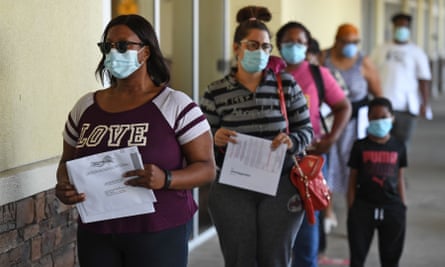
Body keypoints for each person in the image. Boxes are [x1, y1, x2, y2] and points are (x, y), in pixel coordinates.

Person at [55, 14, 216, 267]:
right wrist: (63, 184)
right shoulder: (85, 106)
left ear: (145, 52)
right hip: (97, 231)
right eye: (107, 46)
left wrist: (167, 178)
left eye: (122, 46)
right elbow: (67, 161)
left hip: (158, 231)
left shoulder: (175, 104)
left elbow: (207, 168)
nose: (113, 52)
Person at [200, 6, 314, 266]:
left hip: (282, 184)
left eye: (265, 47)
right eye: (252, 45)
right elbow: (200, 137)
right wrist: (215, 137)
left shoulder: (285, 84)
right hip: (233, 186)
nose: (260, 52)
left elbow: (307, 130)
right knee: (240, 258)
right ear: (236, 48)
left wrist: (292, 140)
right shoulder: (216, 91)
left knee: (276, 258)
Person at [275, 21, 351, 267]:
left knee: (308, 226)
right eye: (288, 41)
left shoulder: (318, 74)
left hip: (309, 161)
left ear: (308, 46)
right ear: (278, 45)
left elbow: (343, 106)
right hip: (274, 159)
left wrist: (332, 139)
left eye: (300, 42)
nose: (294, 46)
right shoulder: (269, 73)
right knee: (272, 229)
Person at [320, 23, 382, 234]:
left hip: (356, 126)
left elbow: (379, 96)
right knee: (326, 166)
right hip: (328, 123)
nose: (350, 46)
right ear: (336, 41)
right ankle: (328, 212)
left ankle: (352, 216)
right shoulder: (323, 59)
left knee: (353, 171)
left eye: (355, 42)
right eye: (346, 42)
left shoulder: (363, 62)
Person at [347, 97, 407, 267]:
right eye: (375, 117)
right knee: (358, 256)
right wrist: (352, 207)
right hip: (363, 208)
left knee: (391, 257)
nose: (379, 121)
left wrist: (402, 205)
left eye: (384, 117)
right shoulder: (359, 147)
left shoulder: (398, 146)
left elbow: (400, 177)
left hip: (392, 208)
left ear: (392, 118)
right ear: (368, 119)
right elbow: (352, 178)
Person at [370, 13, 431, 148]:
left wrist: (424, 104)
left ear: (409, 29)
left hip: (407, 107)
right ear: (393, 27)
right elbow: (371, 73)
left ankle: (398, 168)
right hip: (383, 104)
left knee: (402, 143)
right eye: (398, 26)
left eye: (404, 26)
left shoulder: (416, 52)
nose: (401, 29)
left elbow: (424, 80)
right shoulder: (381, 49)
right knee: (381, 142)